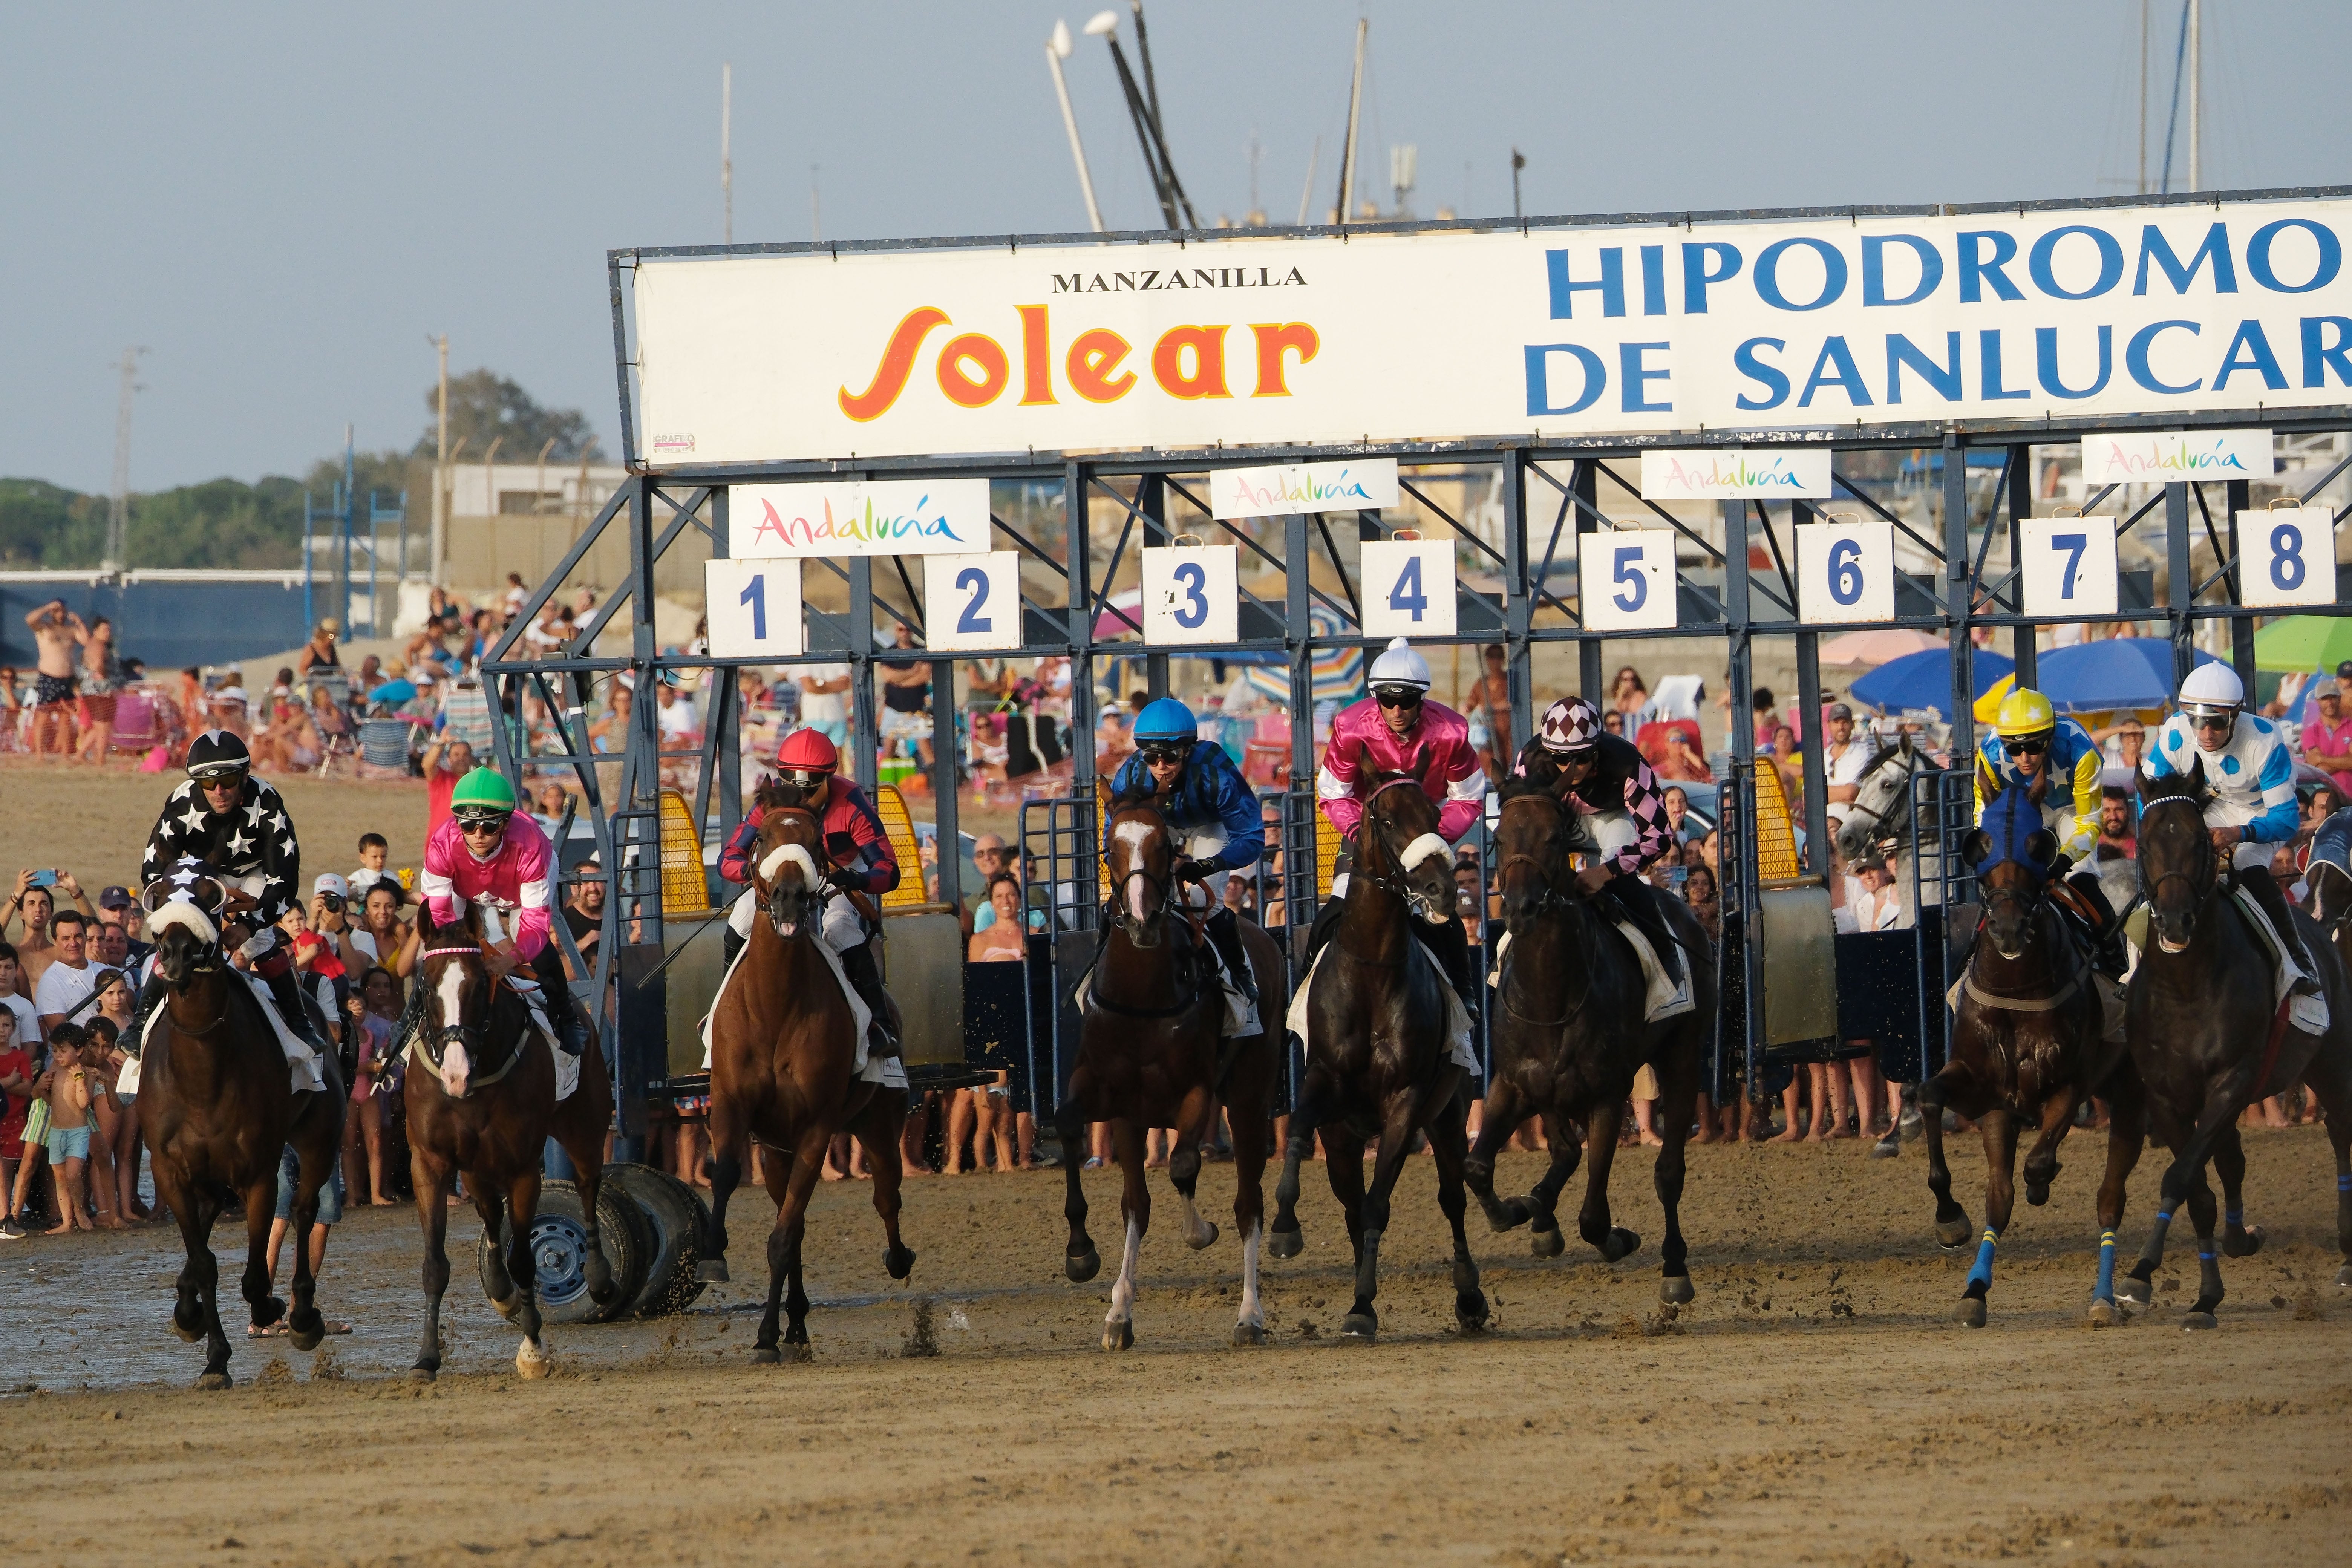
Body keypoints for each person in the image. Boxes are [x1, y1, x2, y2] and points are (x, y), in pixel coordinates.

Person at [1303, 638, 1487, 1007]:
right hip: (1367, 826)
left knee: (1443, 908)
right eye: (1388, 701)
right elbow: (1332, 792)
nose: (1398, 709)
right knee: (1335, 908)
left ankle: (1464, 996)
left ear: (1423, 699)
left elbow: (1468, 797)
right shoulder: (1351, 726)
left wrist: (1432, 837)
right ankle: (1305, 991)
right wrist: (1362, 832)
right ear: (1376, 698)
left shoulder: (1452, 730)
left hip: (1421, 829)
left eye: (1407, 701)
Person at [715, 728, 902, 1055]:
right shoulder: (770, 801)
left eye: (810, 791)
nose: (800, 799)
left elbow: (888, 869)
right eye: (791, 788)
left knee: (842, 931)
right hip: (779, 881)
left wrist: (857, 880)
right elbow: (728, 858)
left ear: (829, 780)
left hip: (837, 877)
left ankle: (882, 1025)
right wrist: (755, 873)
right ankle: (723, 1008)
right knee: (740, 922)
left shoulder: (853, 803)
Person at [136, 728, 320, 1051]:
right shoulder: (181, 802)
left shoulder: (269, 803)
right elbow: (154, 872)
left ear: (246, 776)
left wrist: (247, 927)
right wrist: (178, 914)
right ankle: (140, 1020)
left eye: (228, 781)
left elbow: (285, 882)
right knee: (179, 934)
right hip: (202, 877)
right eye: (208, 784)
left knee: (259, 941)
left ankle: (299, 1020)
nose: (219, 791)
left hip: (255, 874)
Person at [2144, 662, 2315, 992]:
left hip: (2259, 816)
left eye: (2218, 723)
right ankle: (2135, 968)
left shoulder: (2265, 742)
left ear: (2235, 715)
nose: (2207, 734)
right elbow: (2148, 796)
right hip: (2208, 812)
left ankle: (2295, 959)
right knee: (2165, 872)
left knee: (2249, 867)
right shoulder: (2175, 732)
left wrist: (2237, 835)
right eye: (2199, 722)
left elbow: (2286, 820)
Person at [1102, 697, 1268, 1011]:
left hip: (1209, 826)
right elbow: (1115, 828)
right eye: (1152, 758)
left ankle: (1240, 973)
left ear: (1188, 751)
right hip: (1160, 826)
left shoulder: (1217, 776)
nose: (1161, 767)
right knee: (1127, 899)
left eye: (1171, 756)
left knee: (1206, 902)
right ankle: (1095, 972)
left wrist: (1210, 864)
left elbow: (1251, 836)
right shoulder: (1130, 776)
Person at [1510, 695, 1685, 986]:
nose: (1571, 768)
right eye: (1562, 759)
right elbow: (1520, 823)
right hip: (1557, 818)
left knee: (1618, 874)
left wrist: (1605, 873)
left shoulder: (1628, 762)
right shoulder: (1529, 759)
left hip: (1611, 817)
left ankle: (1664, 951)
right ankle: (1506, 953)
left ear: (1597, 749)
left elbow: (1659, 836)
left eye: (1581, 758)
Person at [418, 768, 589, 1056]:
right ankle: (411, 1022)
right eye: (469, 827)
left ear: (507, 823)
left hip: (519, 890)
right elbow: (440, 916)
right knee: (441, 951)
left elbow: (536, 926)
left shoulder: (530, 845)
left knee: (532, 943)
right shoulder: (442, 844)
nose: (479, 835)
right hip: (464, 888)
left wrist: (512, 959)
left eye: (489, 826)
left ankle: (566, 1018)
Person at [1974, 688, 2116, 956]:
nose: (2024, 758)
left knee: (2080, 876)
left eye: (2034, 746)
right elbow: (1983, 816)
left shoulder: (2082, 752)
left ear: (2050, 739)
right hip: (2021, 815)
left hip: (2070, 811)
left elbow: (2089, 822)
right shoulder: (1990, 752)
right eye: (2014, 748)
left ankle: (2113, 954)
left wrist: (2064, 861)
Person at [23, 599, 83, 755]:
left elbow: (86, 640)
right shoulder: (44, 628)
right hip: (49, 677)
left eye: (63, 611)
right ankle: (39, 754)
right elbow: (30, 619)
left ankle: (64, 754)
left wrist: (79, 622)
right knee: (43, 717)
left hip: (67, 678)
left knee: (66, 718)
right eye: (57, 611)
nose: (61, 614)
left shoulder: (71, 631)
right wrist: (47, 607)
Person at [74, 614, 124, 766]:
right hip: (101, 692)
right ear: (96, 631)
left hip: (94, 692)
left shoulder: (93, 644)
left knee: (98, 727)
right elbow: (97, 665)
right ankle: (100, 760)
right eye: (104, 630)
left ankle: (80, 755)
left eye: (109, 630)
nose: (108, 633)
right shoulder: (99, 646)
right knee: (104, 728)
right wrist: (104, 676)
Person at [1822, 702, 1878, 824]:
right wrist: (1841, 793)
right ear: (1829, 725)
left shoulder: (1862, 753)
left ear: (1852, 725)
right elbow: (1806, 799)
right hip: (1820, 825)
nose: (1841, 727)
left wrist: (1818, 794)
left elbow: (1851, 794)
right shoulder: (1822, 756)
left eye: (1845, 722)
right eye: (1836, 722)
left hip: (1849, 826)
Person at [2301, 683, 2352, 799]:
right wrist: (2346, 761)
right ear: (2317, 701)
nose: (2330, 703)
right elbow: (2317, 769)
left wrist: (2322, 759)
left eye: (2333, 698)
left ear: (2339, 698)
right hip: (2324, 798)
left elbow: (2319, 766)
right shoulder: (2311, 731)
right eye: (2325, 699)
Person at [420, 735, 476, 835]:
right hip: (440, 839)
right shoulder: (441, 779)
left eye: (466, 755)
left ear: (471, 759)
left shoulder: (476, 783)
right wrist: (442, 741)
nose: (461, 759)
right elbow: (427, 765)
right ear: (449, 760)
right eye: (456, 755)